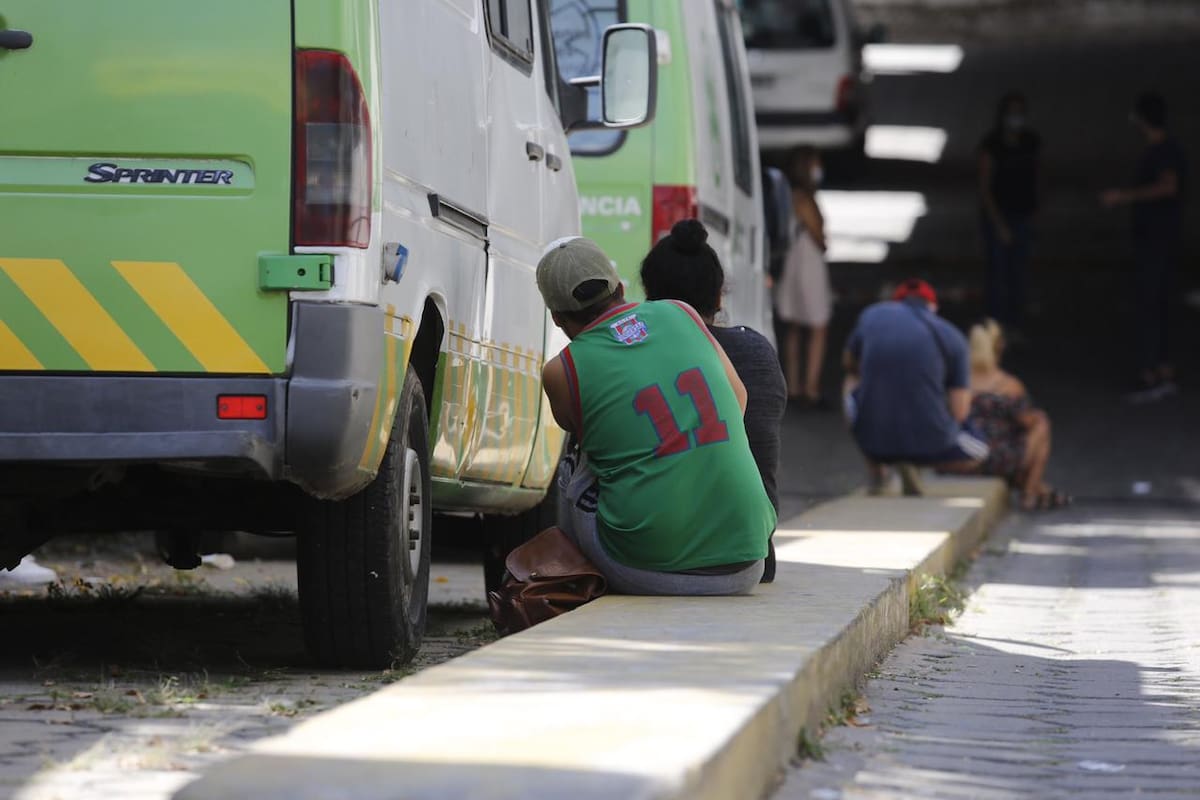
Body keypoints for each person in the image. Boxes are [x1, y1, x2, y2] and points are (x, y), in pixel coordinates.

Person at [536, 237, 775, 595]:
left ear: (556, 318)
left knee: (575, 459)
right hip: (748, 561)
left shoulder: (562, 369)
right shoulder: (682, 313)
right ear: (620, 288)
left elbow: (585, 438)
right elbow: (738, 398)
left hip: (643, 567)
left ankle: (574, 584)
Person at [640, 219, 787, 582]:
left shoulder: (633, 356)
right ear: (719, 296)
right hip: (751, 556)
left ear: (648, 295)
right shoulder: (757, 352)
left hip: (656, 552)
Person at [843, 279, 989, 495]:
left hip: (874, 441)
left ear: (895, 303)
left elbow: (848, 363)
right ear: (933, 307)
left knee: (851, 380)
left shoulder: (872, 315)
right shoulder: (951, 336)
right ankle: (918, 465)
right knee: (980, 450)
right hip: (932, 445)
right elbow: (960, 411)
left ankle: (878, 471)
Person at [1101, 91, 1189, 401]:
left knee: (1150, 305)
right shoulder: (1166, 149)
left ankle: (1150, 373)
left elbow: (1168, 186)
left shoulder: (1162, 152)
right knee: (1159, 305)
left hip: (1156, 241)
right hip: (1160, 239)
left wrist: (1124, 197)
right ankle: (1162, 369)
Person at [959, 320, 1068, 510]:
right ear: (998, 346)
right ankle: (1031, 492)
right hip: (997, 458)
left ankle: (1038, 489)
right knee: (1041, 422)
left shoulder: (959, 380)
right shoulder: (1008, 385)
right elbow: (1028, 420)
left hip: (962, 455)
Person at [978, 91, 1041, 335]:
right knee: (997, 276)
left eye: (1020, 112)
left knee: (1019, 275)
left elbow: (1038, 177)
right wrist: (999, 224)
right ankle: (996, 326)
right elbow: (985, 188)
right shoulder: (992, 145)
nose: (1016, 118)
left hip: (1023, 216)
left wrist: (1035, 212)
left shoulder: (1031, 142)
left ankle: (1014, 325)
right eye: (1012, 112)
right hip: (999, 217)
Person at [776, 146, 834, 408]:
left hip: (793, 261)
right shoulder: (804, 199)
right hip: (809, 264)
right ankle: (811, 387)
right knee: (818, 324)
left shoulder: (787, 195)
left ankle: (793, 384)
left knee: (794, 326)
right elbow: (819, 235)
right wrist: (823, 240)